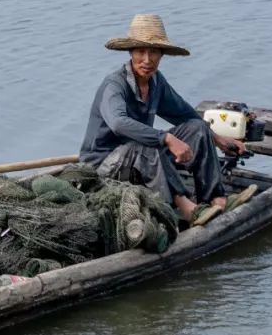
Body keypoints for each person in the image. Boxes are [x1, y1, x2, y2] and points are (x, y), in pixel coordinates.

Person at [80, 14, 256, 227]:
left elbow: (185, 114)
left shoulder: (156, 82)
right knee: (149, 142)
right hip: (103, 165)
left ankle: (215, 200)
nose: (147, 60)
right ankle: (188, 210)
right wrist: (167, 138)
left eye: (153, 52)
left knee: (198, 127)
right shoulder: (114, 86)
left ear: (162, 55)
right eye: (140, 51)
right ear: (130, 52)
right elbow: (118, 123)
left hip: (140, 160)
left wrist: (219, 140)